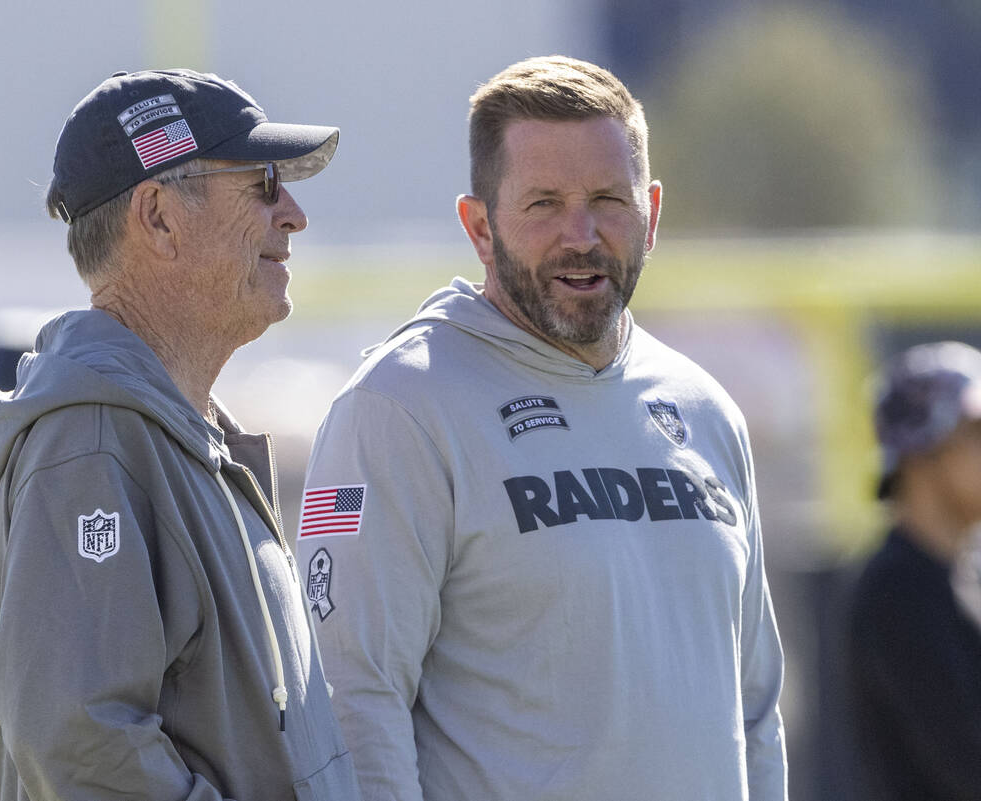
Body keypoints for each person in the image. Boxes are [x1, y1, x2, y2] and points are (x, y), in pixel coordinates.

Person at [295, 55, 787, 800]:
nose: (581, 234)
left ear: (651, 215)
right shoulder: (397, 407)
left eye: (606, 200)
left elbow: (754, 712)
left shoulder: (705, 408)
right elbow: (351, 702)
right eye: (544, 204)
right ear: (479, 228)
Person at [0, 69, 360, 801]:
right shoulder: (91, 440)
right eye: (263, 182)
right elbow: (80, 743)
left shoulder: (168, 435)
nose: (293, 213)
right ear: (159, 218)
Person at [846, 341, 981, 801]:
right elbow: (966, 763)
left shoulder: (957, 576)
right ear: (923, 450)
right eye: (977, 432)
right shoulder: (896, 590)